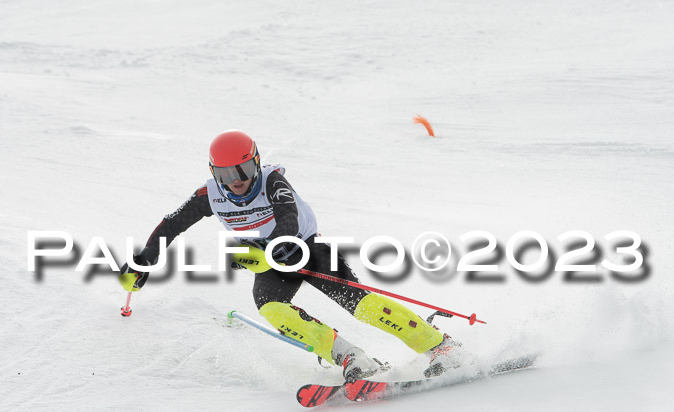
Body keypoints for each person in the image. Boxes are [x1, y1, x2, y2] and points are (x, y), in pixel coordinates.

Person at [120, 130, 464, 380]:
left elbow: (288, 215)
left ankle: (441, 346)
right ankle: (350, 358)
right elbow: (172, 223)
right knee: (272, 309)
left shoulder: (272, 181)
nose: (236, 181)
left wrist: (278, 243)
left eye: (242, 171)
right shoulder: (209, 195)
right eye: (226, 175)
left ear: (255, 162)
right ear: (215, 173)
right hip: (268, 262)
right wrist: (145, 258)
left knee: (364, 306)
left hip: (305, 249)